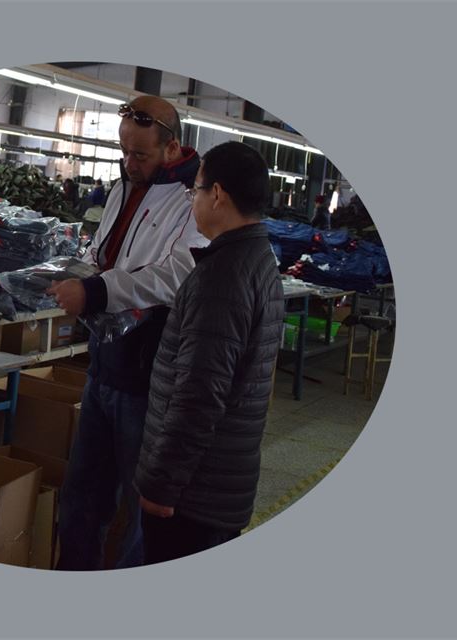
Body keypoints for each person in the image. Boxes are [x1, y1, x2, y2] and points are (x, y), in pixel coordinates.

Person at [49, 95, 206, 570]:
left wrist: (96, 292)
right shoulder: (123, 187)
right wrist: (76, 272)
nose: (129, 162)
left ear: (172, 147)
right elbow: (104, 252)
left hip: (147, 376)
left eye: (140, 153)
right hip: (104, 364)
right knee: (82, 496)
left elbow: (178, 276)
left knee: (142, 509)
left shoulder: (192, 200)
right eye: (123, 151)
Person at [133, 141, 284, 565]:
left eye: (195, 190)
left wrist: (163, 485)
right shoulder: (258, 258)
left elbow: (200, 395)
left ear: (217, 194)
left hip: (193, 499)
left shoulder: (221, 277)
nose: (192, 200)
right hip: (220, 486)